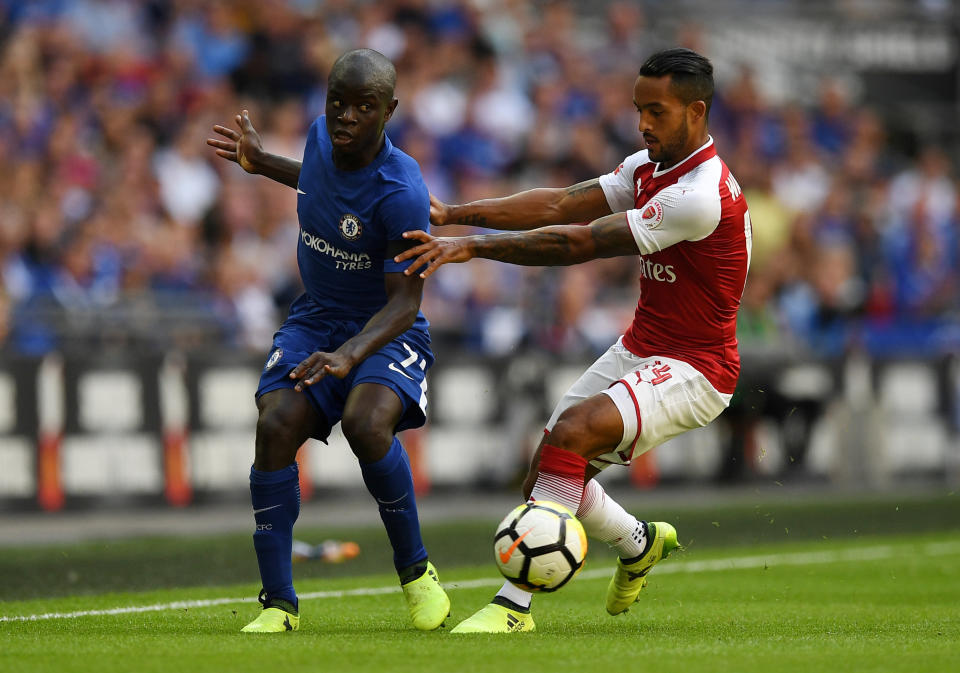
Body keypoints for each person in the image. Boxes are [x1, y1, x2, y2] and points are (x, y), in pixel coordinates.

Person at [397, 48, 751, 633]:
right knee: (548, 471)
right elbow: (561, 202)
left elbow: (578, 242)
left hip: (699, 367)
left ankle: (514, 609)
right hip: (643, 345)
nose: (642, 123)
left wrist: (474, 246)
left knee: (574, 433)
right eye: (639, 109)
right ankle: (639, 543)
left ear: (696, 112)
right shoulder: (647, 166)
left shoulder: (699, 195)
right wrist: (456, 212)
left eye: (656, 112)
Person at [206, 48, 450, 633]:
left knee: (368, 425)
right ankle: (278, 605)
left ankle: (417, 574)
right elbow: (316, 181)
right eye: (337, 102)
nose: (345, 116)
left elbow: (406, 301)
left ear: (388, 111)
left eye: (363, 107)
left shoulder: (403, 191)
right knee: (275, 424)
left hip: (384, 330)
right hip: (315, 318)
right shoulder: (319, 137)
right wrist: (262, 162)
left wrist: (349, 355)